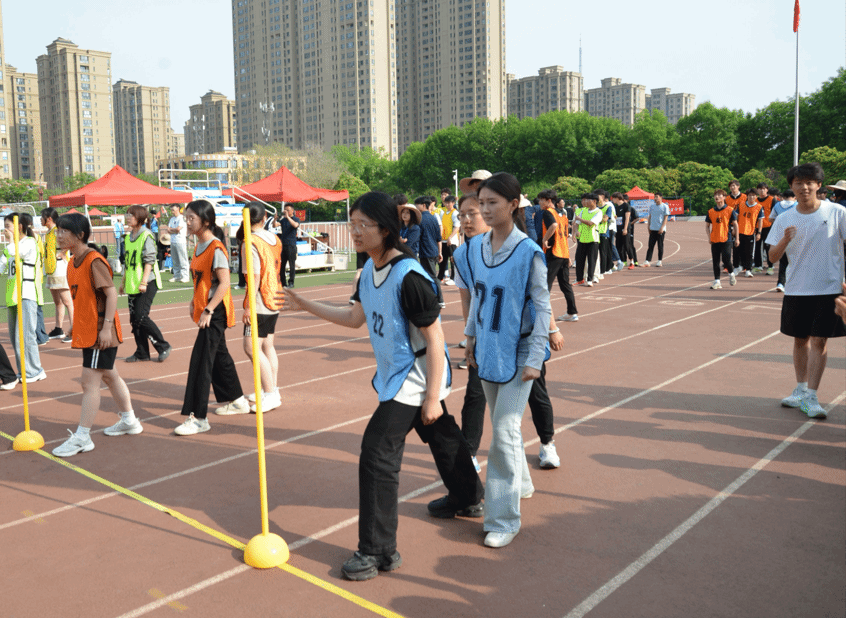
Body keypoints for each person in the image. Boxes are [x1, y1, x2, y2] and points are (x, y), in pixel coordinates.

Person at [284, 191, 482, 580]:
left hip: (416, 376)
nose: (355, 232)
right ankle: (468, 496)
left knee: (377, 454)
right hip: (396, 375)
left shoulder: (409, 275)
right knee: (442, 435)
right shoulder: (368, 271)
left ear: (386, 229)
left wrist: (432, 396)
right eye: (352, 224)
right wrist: (304, 304)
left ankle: (378, 551)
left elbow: (436, 338)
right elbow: (354, 318)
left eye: (364, 225)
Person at [464, 172, 552, 548]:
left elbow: (543, 307)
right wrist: (469, 338)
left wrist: (536, 358)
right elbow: (478, 296)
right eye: (481, 203)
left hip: (519, 351)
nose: (484, 209)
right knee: (504, 428)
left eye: (492, 203)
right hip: (488, 348)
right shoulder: (478, 248)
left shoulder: (528, 252)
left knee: (503, 430)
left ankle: (503, 518)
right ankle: (522, 483)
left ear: (513, 205)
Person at [51, 213, 140, 457]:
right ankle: (130, 420)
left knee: (88, 382)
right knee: (110, 376)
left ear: (80, 235)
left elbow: (111, 294)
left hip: (100, 334)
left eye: (64, 231)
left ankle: (82, 437)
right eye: (58, 231)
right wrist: (75, 326)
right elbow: (83, 299)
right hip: (90, 331)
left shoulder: (93, 261)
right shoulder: (73, 262)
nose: (59, 235)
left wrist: (106, 328)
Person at [767, 162, 846, 420]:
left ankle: (812, 395)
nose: (804, 187)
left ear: (819, 185)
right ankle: (800, 390)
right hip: (796, 288)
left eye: (809, 182)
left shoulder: (837, 212)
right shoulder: (785, 218)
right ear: (791, 186)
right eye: (798, 183)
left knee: (820, 341)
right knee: (800, 340)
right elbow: (772, 257)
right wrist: (785, 239)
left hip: (828, 288)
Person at [175, 200, 248, 436]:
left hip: (215, 312)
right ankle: (237, 400)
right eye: (186, 217)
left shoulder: (216, 248)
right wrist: (194, 301)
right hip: (206, 308)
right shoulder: (199, 246)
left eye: (192, 218)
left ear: (206, 221)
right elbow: (202, 281)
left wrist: (208, 310)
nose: (187, 222)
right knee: (219, 357)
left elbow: (224, 283)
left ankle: (198, 418)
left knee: (201, 361)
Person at [229, 202, 283, 414]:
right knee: (267, 345)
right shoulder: (274, 238)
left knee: (251, 347)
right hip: (275, 295)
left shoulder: (249, 242)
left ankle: (270, 394)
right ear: (264, 218)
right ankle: (271, 389)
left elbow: (254, 276)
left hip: (261, 299)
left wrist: (249, 306)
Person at [119, 205, 172, 363]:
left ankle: (163, 346)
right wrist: (123, 282)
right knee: (134, 320)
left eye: (132, 215)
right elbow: (128, 263)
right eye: (127, 214)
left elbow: (149, 261)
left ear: (140, 218)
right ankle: (142, 352)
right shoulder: (128, 237)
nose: (128, 218)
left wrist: (143, 282)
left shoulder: (146, 235)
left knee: (141, 316)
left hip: (147, 282)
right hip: (132, 283)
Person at [0, 212, 46, 383]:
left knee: (25, 337)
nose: (5, 230)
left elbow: (16, 251)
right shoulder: (11, 247)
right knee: (15, 338)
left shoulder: (30, 243)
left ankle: (34, 371)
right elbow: (2, 264)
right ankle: (24, 371)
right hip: (12, 295)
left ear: (19, 226)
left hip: (26, 294)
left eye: (8, 226)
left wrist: (11, 241)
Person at [538, 189, 578, 321]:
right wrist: (568, 256)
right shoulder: (563, 216)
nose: (539, 202)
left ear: (548, 201)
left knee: (545, 284)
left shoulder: (548, 212)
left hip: (554, 253)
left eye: (541, 200)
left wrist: (545, 239)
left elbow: (553, 225)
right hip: (563, 253)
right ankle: (572, 313)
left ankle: (543, 316)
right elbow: (564, 237)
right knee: (565, 284)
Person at [40, 207, 74, 342]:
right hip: (51, 269)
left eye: (42, 217)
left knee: (67, 301)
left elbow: (71, 241)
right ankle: (58, 329)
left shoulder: (59, 230)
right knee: (57, 302)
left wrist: (62, 253)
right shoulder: (49, 232)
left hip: (60, 268)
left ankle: (74, 330)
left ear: (49, 218)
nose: (40, 219)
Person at [705, 190, 739, 289]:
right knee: (715, 261)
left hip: (726, 239)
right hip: (715, 239)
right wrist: (709, 237)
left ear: (724, 197)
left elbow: (735, 224)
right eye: (715, 195)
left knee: (726, 259)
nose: (717, 197)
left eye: (719, 195)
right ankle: (717, 281)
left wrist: (737, 238)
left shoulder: (730, 210)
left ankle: (731, 274)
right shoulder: (711, 211)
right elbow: (707, 226)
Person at [572, 193, 602, 286]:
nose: (585, 202)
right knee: (579, 260)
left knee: (591, 260)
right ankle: (579, 279)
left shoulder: (598, 212)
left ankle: (590, 279)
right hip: (582, 239)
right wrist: (576, 231)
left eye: (588, 200)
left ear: (594, 201)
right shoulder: (583, 211)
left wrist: (580, 219)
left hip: (593, 240)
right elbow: (576, 223)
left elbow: (590, 223)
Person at [769, 189, 797, 293]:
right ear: (795, 197)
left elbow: (770, 218)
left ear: (783, 197)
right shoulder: (797, 205)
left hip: (781, 236)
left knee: (783, 261)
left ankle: (780, 283)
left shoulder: (777, 205)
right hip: (795, 236)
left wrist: (779, 222)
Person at [736, 189, 764, 278]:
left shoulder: (759, 207)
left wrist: (759, 232)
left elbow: (760, 221)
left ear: (756, 196)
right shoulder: (741, 205)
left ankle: (748, 270)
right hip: (740, 231)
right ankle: (739, 267)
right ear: (747, 196)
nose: (751, 197)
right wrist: (734, 229)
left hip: (751, 233)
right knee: (739, 251)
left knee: (749, 252)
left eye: (753, 195)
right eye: (750, 195)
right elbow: (735, 217)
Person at [414, 196, 442, 282]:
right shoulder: (434, 218)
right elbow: (439, 238)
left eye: (417, 205)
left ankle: (437, 290)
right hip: (434, 251)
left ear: (423, 205)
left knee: (431, 277)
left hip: (426, 252)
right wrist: (440, 252)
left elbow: (417, 236)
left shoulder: (420, 219)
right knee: (430, 275)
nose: (415, 207)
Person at [643, 192, 669, 267]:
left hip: (660, 229)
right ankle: (647, 261)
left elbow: (665, 218)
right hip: (653, 229)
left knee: (660, 245)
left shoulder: (665, 206)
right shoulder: (652, 206)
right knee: (650, 245)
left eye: (657, 197)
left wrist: (662, 228)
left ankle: (659, 261)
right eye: (654, 197)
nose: (655, 198)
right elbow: (650, 216)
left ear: (661, 197)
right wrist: (648, 226)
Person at [754, 183, 776, 275]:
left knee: (768, 247)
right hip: (757, 226)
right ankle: (758, 266)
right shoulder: (755, 200)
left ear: (767, 190)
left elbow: (775, 213)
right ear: (757, 190)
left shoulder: (772, 199)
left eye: (764, 189)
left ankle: (770, 266)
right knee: (758, 247)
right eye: (760, 189)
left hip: (768, 226)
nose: (762, 190)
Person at [725, 180, 746, 274]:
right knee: (728, 246)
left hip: (742, 224)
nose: (732, 187)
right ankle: (727, 265)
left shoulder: (745, 197)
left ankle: (743, 265)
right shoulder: (727, 198)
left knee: (742, 246)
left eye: (734, 185)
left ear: (738, 186)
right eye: (731, 186)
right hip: (729, 224)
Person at [438, 195, 459, 285]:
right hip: (444, 240)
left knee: (452, 259)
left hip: (451, 240)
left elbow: (457, 227)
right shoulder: (444, 213)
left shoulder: (455, 213)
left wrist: (450, 237)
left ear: (453, 203)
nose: (447, 204)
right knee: (443, 260)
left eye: (449, 203)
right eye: (445, 203)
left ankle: (453, 278)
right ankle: (440, 277)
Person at [278, 204, 300, 287]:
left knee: (291, 264)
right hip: (283, 244)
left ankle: (291, 282)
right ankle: (283, 282)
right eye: (285, 210)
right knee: (282, 265)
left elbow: (295, 225)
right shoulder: (283, 220)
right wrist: (275, 219)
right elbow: (275, 225)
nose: (286, 212)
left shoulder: (296, 219)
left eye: (288, 210)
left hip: (291, 245)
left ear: (292, 211)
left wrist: (287, 217)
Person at [167, 204, 190, 283]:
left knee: (183, 260)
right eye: (171, 210)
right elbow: (168, 230)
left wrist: (173, 230)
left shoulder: (181, 218)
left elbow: (178, 229)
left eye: (173, 210)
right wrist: (174, 230)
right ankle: (177, 276)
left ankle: (185, 277)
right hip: (173, 241)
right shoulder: (172, 219)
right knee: (175, 260)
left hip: (180, 241)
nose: (172, 211)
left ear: (178, 209)